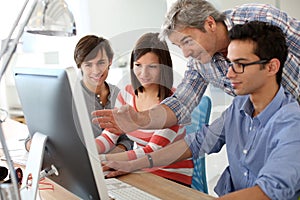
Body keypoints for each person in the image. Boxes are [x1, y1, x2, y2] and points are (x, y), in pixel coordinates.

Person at [101, 21, 300, 199]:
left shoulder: (291, 123)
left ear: (272, 67)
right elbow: (196, 143)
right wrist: (132, 165)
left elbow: (270, 191)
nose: (229, 74)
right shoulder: (239, 106)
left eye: (240, 65)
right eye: (230, 63)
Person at [92, 0, 299, 135]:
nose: (186, 53)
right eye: (178, 46)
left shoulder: (259, 17)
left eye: (187, 41)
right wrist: (140, 119)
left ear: (209, 24)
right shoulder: (199, 63)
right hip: (278, 129)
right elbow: (180, 104)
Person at [97, 32, 193, 186]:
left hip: (171, 177)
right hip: (137, 169)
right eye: (138, 65)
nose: (143, 74)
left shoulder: (174, 103)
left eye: (152, 67)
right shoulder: (127, 94)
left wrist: (103, 159)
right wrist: (87, 151)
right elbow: (109, 136)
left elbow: (152, 150)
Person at [25, 35, 133, 153]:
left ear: (110, 61)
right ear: (80, 65)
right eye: (88, 64)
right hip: (79, 163)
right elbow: (32, 140)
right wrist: (35, 145)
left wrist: (111, 158)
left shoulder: (119, 94)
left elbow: (127, 139)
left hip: (113, 166)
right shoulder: (68, 96)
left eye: (101, 62)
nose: (96, 71)